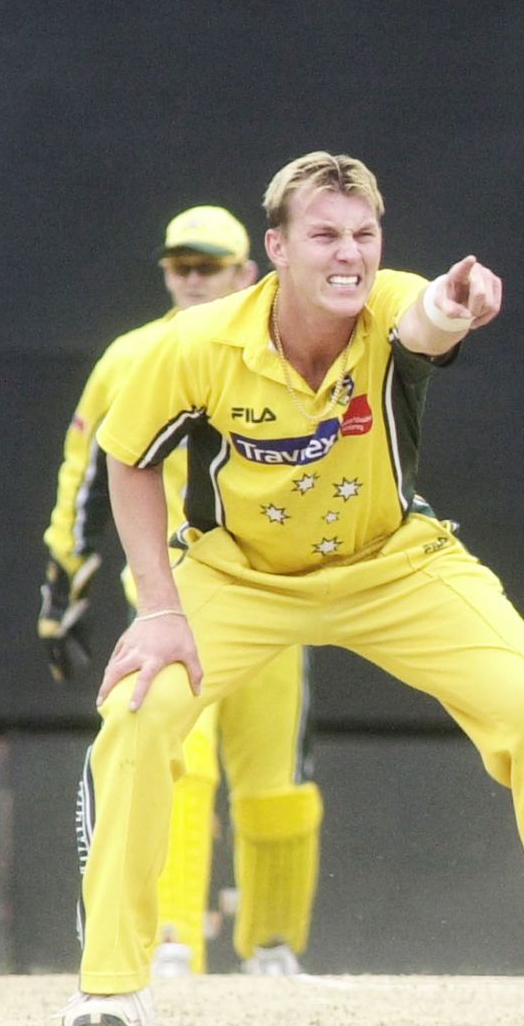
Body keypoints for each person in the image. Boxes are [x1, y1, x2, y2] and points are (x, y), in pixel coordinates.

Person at [59, 152, 524, 1026]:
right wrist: (159, 607)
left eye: (363, 234)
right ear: (275, 246)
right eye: (324, 235)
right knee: (137, 714)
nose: (348, 254)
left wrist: (456, 306)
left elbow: (428, 321)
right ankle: (109, 989)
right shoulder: (192, 345)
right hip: (237, 574)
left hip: (392, 560)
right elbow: (128, 457)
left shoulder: (391, 303)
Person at [41, 206, 322, 981]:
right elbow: (87, 473)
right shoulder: (133, 355)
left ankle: (271, 943)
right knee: (174, 753)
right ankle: (168, 937)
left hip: (273, 592)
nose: (193, 280)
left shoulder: (288, 347)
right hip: (171, 596)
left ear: (246, 271)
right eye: (180, 266)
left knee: (277, 779)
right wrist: (62, 587)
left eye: (210, 267)